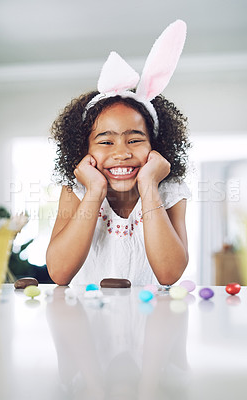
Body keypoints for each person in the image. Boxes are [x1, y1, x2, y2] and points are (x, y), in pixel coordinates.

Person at [46, 19, 191, 286]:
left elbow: (169, 274)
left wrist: (149, 184)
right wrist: (94, 192)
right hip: (88, 322)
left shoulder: (170, 191)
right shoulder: (76, 191)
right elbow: (59, 272)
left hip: (150, 322)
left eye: (134, 140)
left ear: (155, 147)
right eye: (106, 142)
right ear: (84, 149)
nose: (122, 153)